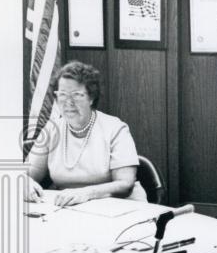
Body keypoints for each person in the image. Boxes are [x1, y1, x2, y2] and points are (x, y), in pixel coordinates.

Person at [25, 61, 147, 206]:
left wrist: (86, 193)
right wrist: (25, 183)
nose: (68, 102)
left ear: (91, 98)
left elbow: (125, 184)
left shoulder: (115, 128)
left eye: (76, 95)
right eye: (62, 94)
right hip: (73, 210)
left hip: (120, 207)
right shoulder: (52, 129)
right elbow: (25, 173)